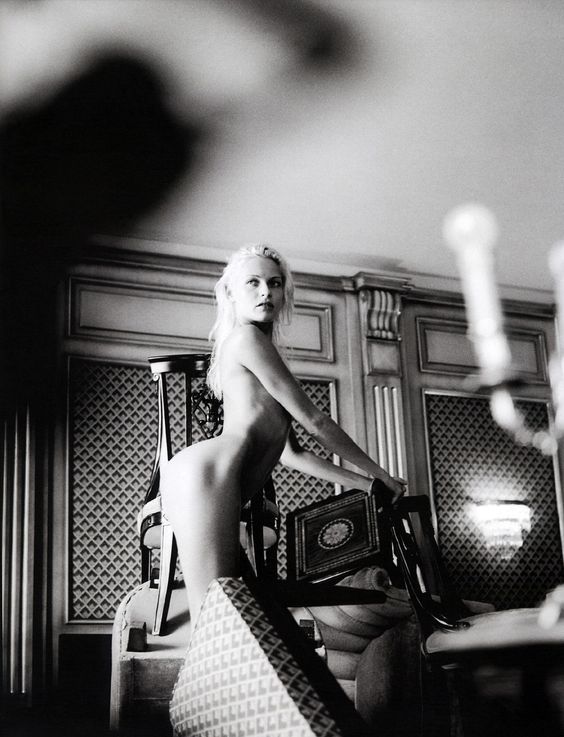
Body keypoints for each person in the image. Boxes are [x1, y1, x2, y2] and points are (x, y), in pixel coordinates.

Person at [161, 244, 406, 623]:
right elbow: (315, 421)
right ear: (230, 292)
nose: (266, 292)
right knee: (214, 617)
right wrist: (382, 474)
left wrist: (367, 485)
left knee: (233, 614)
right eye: (253, 282)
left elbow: (293, 454)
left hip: (215, 477)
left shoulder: (259, 346)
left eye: (274, 283)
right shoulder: (246, 338)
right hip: (205, 472)